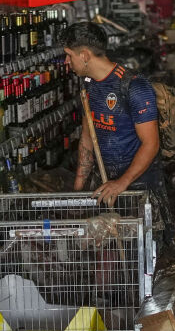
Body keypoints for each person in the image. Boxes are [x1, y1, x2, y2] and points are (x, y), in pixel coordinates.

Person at [64, 22, 161, 208]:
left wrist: (121, 183)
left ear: (84, 55)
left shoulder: (134, 86)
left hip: (138, 189)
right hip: (105, 187)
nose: (66, 62)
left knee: (139, 237)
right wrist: (76, 191)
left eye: (69, 55)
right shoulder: (88, 85)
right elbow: (87, 139)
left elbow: (151, 143)